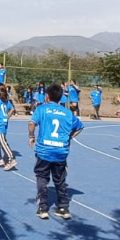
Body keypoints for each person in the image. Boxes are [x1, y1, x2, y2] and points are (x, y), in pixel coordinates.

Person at [28, 83, 83, 220]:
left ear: (47, 96)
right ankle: (63, 207)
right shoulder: (67, 113)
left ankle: (43, 208)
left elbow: (31, 124)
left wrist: (31, 136)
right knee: (60, 180)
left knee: (42, 177)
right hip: (60, 151)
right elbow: (80, 127)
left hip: (44, 151)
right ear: (60, 98)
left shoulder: (42, 109)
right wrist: (69, 137)